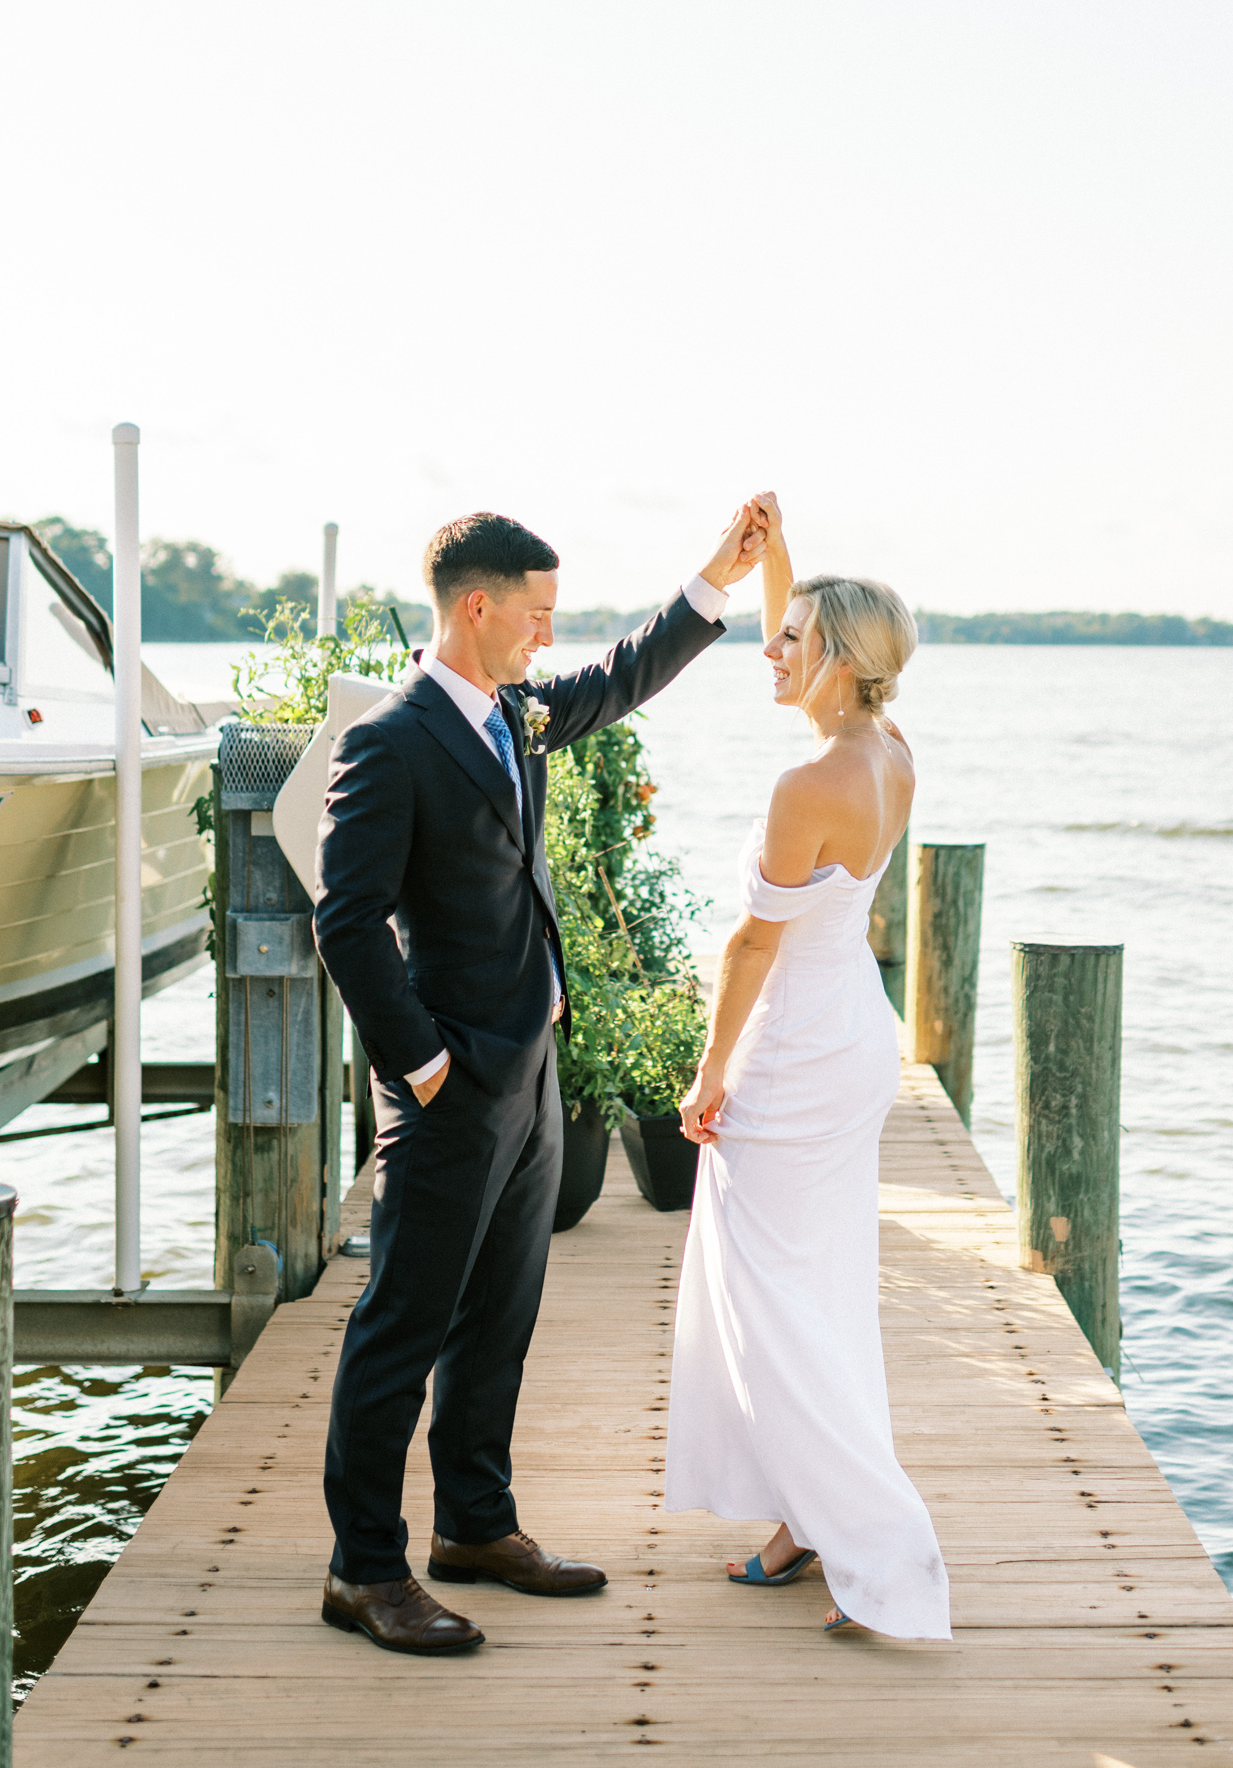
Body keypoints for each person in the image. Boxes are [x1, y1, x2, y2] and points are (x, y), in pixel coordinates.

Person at [315, 504, 765, 1655]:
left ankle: (475, 1524)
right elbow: (349, 922)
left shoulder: (515, 712)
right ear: (479, 606)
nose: (547, 636)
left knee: (498, 1321)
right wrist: (422, 1065)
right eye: (537, 614)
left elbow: (619, 679)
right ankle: (365, 1568)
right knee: (401, 1327)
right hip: (448, 1086)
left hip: (530, 1074)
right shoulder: (391, 739)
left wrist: (717, 578)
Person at [665, 494, 952, 1640]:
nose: (770, 648)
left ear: (836, 661)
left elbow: (750, 944)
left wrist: (705, 1070)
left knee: (771, 1305)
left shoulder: (807, 787)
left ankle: (883, 1546)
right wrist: (776, 555)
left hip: (788, 1057)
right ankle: (804, 1518)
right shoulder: (885, 750)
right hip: (852, 1042)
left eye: (790, 639)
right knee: (818, 1291)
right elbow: (806, 639)